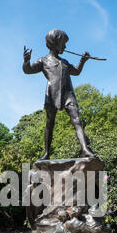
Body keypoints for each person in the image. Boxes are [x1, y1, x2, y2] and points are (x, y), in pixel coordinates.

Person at [23, 29, 95, 159]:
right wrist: (26, 61)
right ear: (55, 43)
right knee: (50, 123)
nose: (65, 47)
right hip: (52, 93)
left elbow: (76, 72)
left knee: (77, 119)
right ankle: (46, 153)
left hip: (68, 93)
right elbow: (28, 70)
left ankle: (84, 148)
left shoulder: (65, 62)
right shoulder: (43, 61)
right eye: (63, 43)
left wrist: (83, 61)